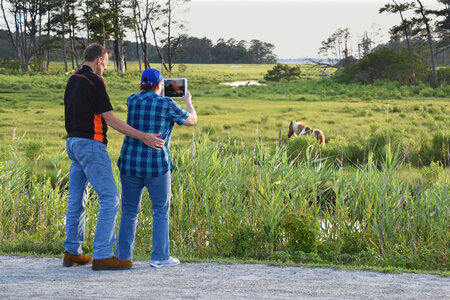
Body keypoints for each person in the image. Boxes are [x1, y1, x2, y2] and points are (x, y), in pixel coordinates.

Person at [63, 44, 166, 271]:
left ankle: (72, 252)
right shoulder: (94, 81)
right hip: (91, 144)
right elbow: (109, 118)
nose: (106, 68)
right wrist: (143, 136)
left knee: (76, 200)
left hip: (73, 143)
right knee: (111, 199)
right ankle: (102, 255)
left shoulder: (73, 79)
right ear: (99, 60)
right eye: (106, 63)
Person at [115, 68, 197, 267]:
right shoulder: (166, 103)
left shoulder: (132, 100)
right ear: (160, 84)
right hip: (156, 166)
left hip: (129, 163)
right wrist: (188, 101)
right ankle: (160, 257)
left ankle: (123, 257)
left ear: (142, 84)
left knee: (129, 211)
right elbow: (192, 120)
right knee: (160, 210)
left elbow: (144, 102)